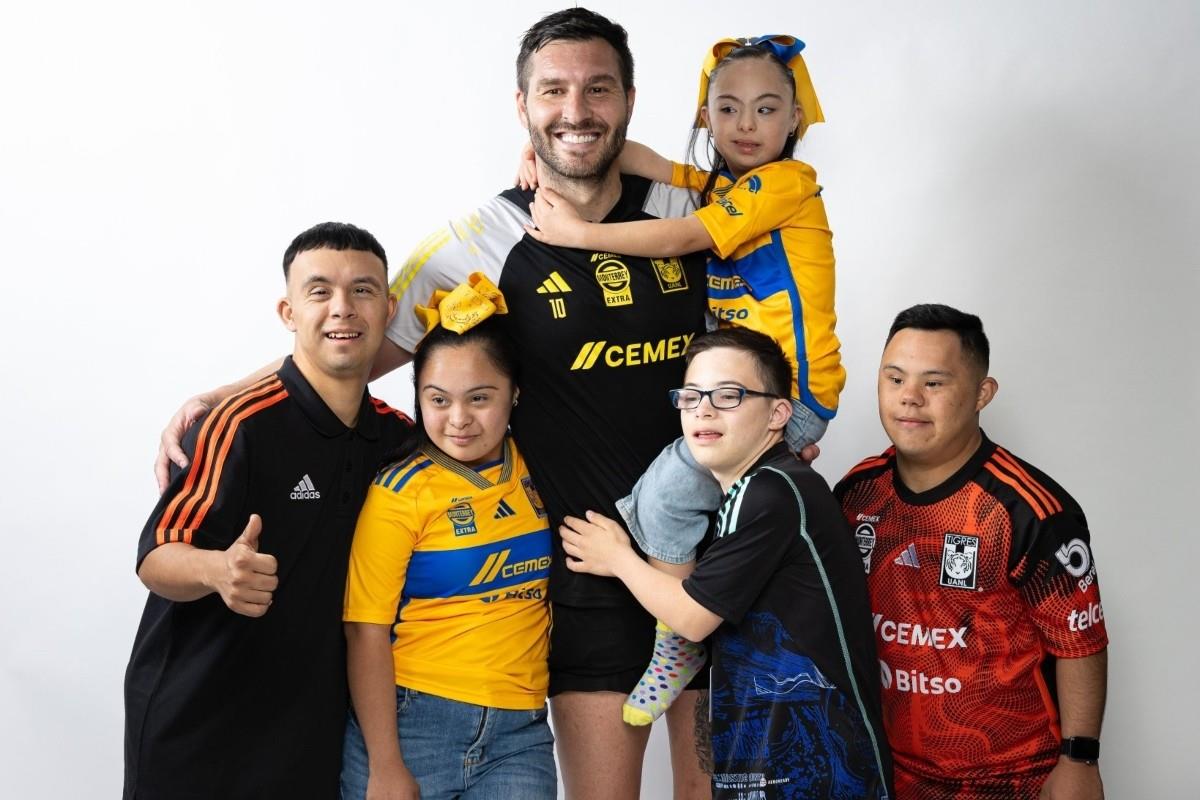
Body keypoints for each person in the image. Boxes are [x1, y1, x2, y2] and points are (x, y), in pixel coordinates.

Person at [154, 9, 712, 798]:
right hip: (586, 568)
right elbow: (354, 343)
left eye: (597, 89)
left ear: (628, 97)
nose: (576, 110)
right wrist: (226, 394)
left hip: (709, 557)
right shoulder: (484, 238)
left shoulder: (690, 211)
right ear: (523, 107)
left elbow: (769, 267)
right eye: (553, 91)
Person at [522, 34, 843, 725]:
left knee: (665, 495)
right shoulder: (726, 183)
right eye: (728, 109)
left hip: (787, 402)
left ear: (795, 120)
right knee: (675, 504)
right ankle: (697, 622)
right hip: (747, 399)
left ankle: (680, 640)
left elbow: (682, 237)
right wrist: (540, 154)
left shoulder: (783, 185)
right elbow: (642, 161)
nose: (746, 126)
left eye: (765, 109)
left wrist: (577, 234)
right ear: (706, 118)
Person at [124, 222, 414, 799]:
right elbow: (155, 556)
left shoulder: (397, 440)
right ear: (288, 312)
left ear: (389, 308)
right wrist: (215, 570)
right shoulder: (239, 424)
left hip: (309, 729)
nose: (342, 308)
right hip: (197, 722)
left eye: (362, 290)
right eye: (319, 291)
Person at [559, 327, 891, 799]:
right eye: (691, 397)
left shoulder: (773, 490)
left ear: (779, 413)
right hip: (768, 766)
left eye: (729, 395)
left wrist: (618, 558)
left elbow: (693, 619)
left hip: (820, 774)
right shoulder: (747, 492)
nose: (704, 410)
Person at [834, 304, 1108, 799]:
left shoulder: (1027, 508)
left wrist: (1079, 759)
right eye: (894, 379)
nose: (909, 398)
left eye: (934, 383)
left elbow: (1080, 642)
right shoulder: (856, 494)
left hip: (1010, 777)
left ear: (983, 393)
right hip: (885, 771)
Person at [340, 275, 555, 799]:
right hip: (414, 723)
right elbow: (365, 631)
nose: (458, 420)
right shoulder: (399, 491)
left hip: (521, 731)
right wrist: (385, 764)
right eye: (438, 400)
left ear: (514, 394)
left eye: (480, 398)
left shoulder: (539, 466)